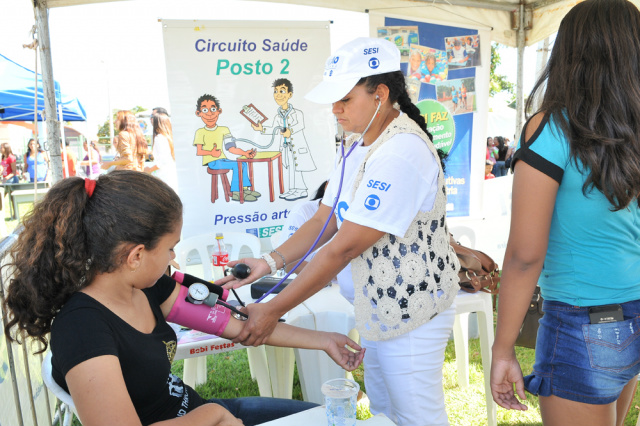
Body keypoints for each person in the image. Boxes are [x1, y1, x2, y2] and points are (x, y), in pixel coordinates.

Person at [218, 37, 459, 426]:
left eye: (344, 99)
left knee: (418, 419)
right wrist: (266, 262)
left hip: (412, 310)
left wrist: (274, 311)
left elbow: (341, 249)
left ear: (380, 94)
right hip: (379, 308)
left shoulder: (401, 151)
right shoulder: (355, 143)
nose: (335, 110)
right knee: (384, 413)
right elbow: (324, 220)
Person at [2, 170, 364, 426]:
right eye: (171, 248)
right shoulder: (82, 329)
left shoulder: (149, 287)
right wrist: (214, 415)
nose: (175, 259)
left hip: (202, 411)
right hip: (207, 417)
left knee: (319, 417)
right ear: (135, 256)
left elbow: (238, 327)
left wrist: (324, 340)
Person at [490, 2, 640, 426]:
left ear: (569, 53)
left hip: (584, 322)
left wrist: (503, 350)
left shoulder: (552, 127)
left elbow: (524, 254)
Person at [252, 78, 316, 201]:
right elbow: (274, 129)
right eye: (275, 92)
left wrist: (289, 131)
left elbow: (300, 125)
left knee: (298, 168)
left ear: (289, 95)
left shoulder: (297, 113)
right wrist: (261, 129)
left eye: (282, 91)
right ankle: (292, 189)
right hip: (286, 147)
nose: (278, 95)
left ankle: (301, 190)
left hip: (297, 146)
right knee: (290, 168)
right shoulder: (278, 115)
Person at [193, 94, 260, 202]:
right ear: (198, 113)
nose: (210, 114)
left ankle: (244, 189)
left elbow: (231, 148)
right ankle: (236, 193)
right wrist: (211, 153)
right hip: (213, 162)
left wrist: (244, 153)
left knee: (242, 163)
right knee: (236, 165)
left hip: (223, 160)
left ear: (219, 111)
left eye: (213, 109)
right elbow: (199, 151)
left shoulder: (224, 129)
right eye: (205, 110)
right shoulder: (200, 132)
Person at [278, 180, 328, 274]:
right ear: (327, 187)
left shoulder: (352, 216)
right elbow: (288, 263)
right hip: (316, 282)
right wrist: (329, 274)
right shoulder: (303, 211)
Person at [145, 113, 178, 193]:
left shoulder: (159, 138)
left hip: (163, 175)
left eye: (152, 118)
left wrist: (149, 170)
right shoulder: (169, 137)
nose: (151, 120)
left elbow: (162, 161)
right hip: (171, 173)